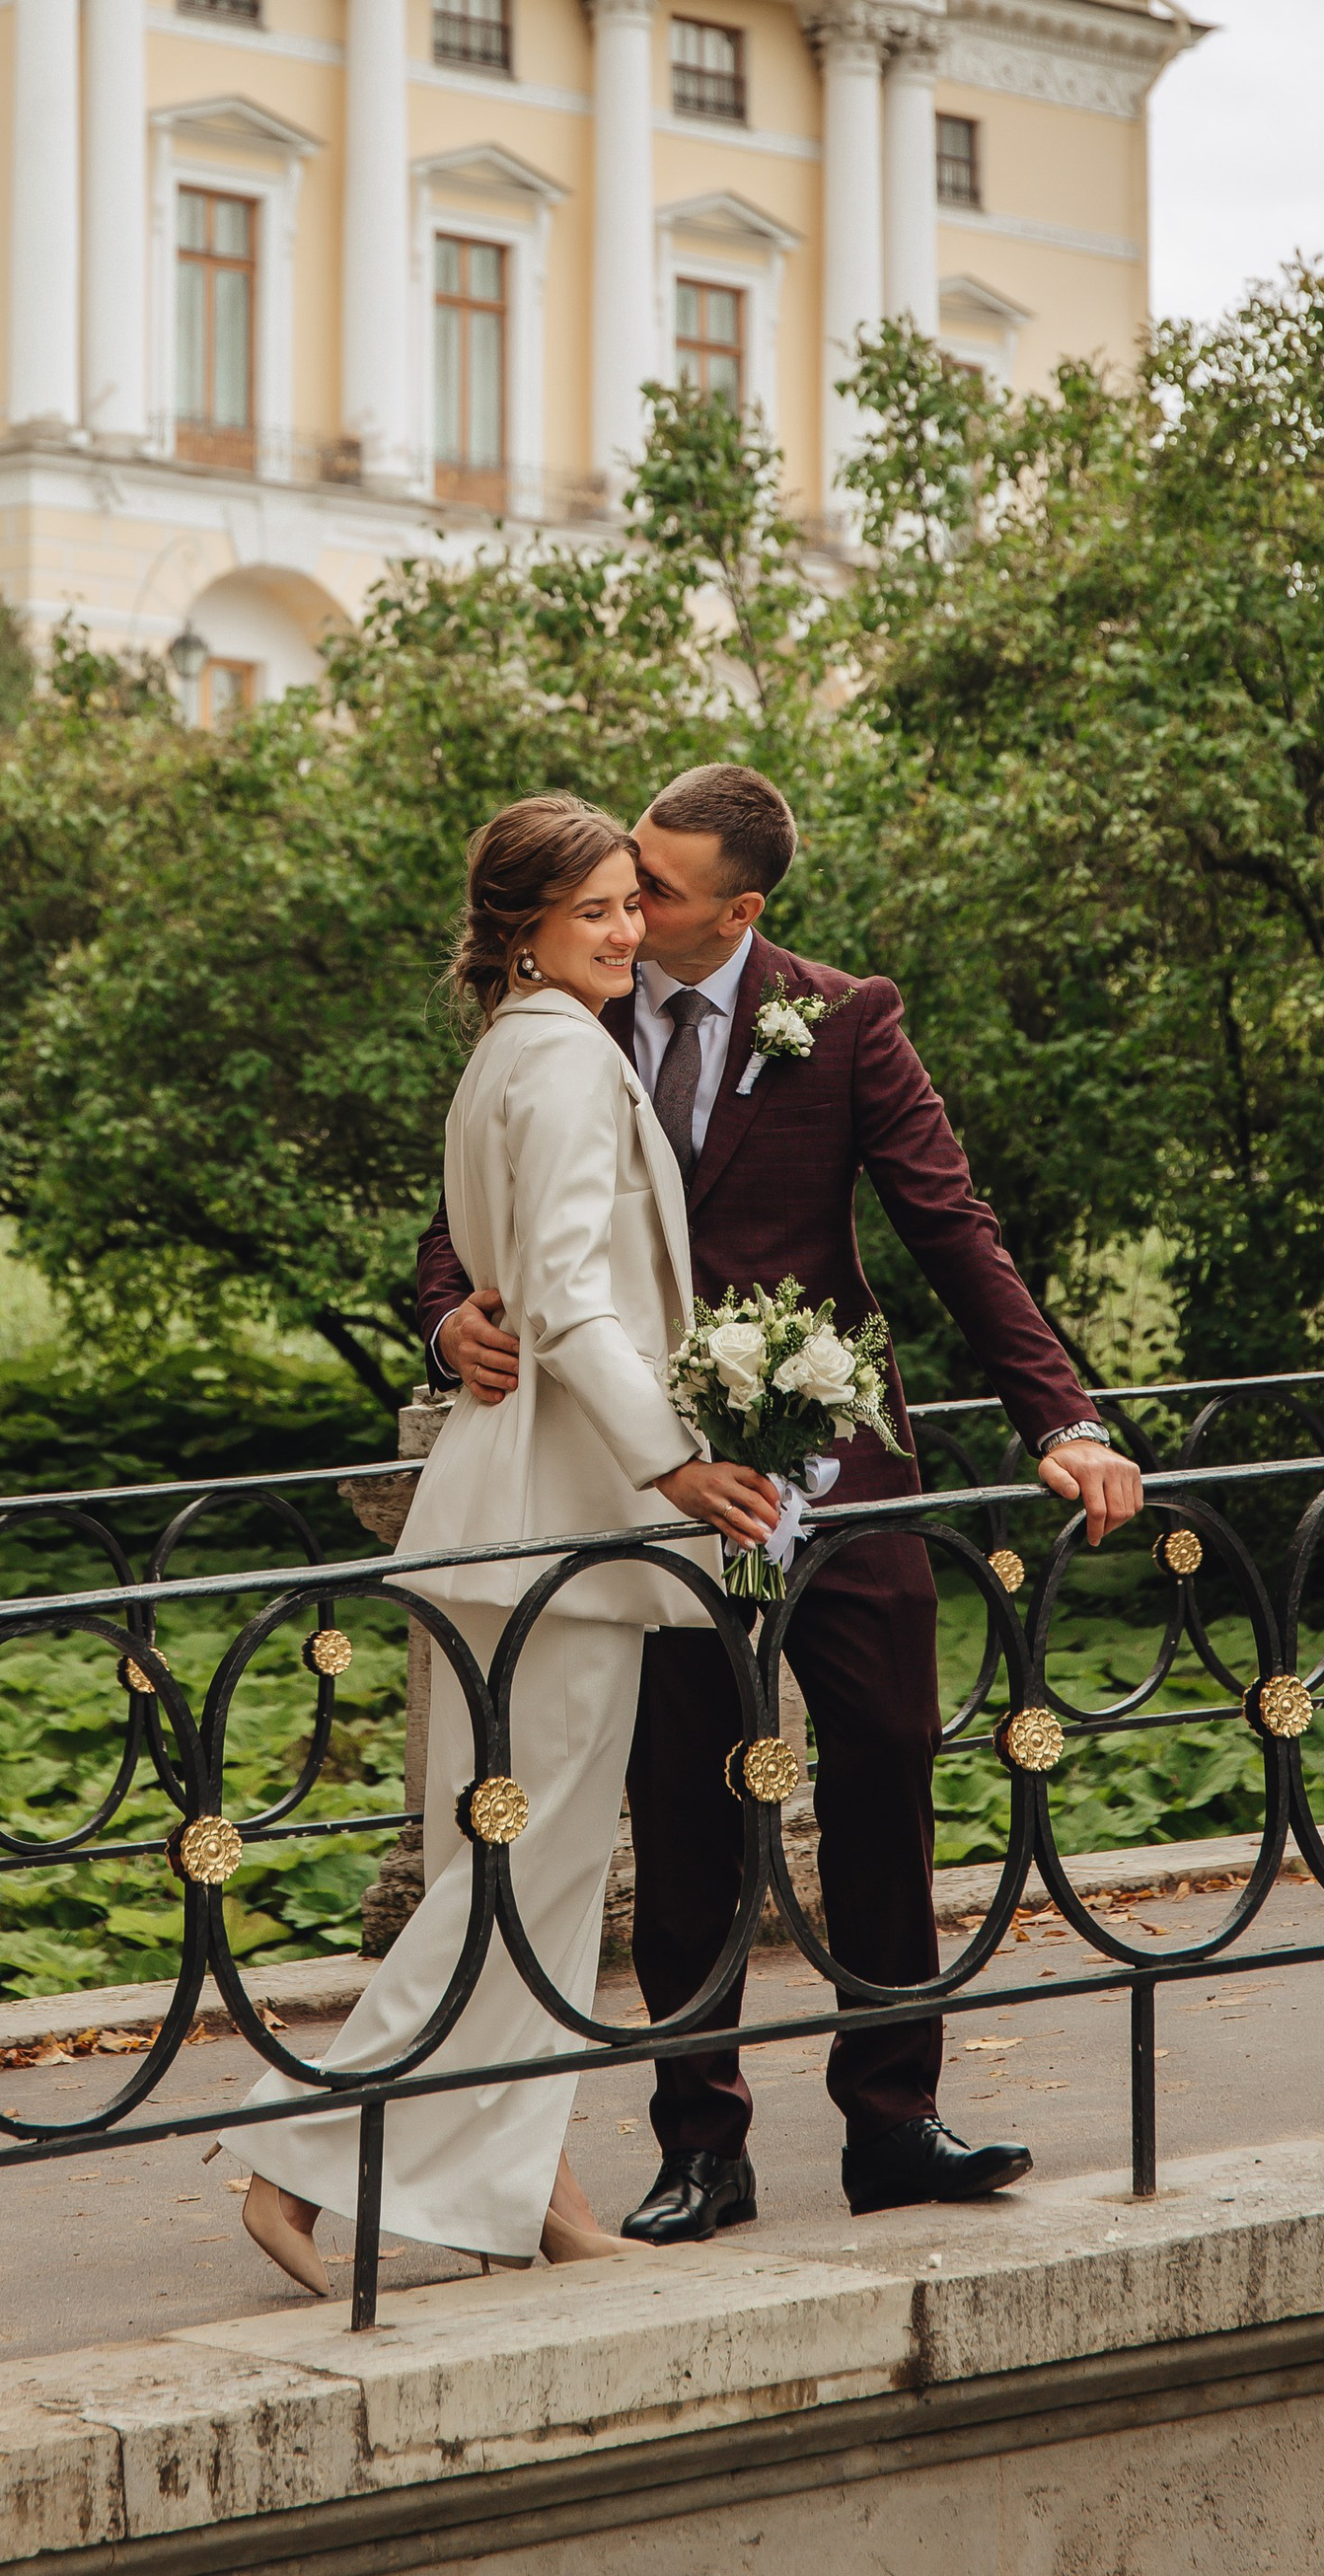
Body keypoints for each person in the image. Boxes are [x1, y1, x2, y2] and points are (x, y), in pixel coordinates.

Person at [415, 761, 1143, 2235]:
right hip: (649, 1480)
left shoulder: (846, 1016)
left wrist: (1061, 1413)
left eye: (657, 886)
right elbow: (469, 1219)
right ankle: (702, 2145)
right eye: (620, 880)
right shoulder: (578, 995)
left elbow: (951, 1222)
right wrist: (447, 1316)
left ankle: (896, 2121)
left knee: (886, 1760)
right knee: (682, 1805)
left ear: (738, 909)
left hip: (838, 1463)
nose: (630, 901)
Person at [231, 793, 779, 2297]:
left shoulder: (517, 1050)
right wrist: (671, 1457)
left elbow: (518, 1285)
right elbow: (562, 1296)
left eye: (630, 902)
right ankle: (296, 2157)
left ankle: (525, 2186)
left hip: (519, 1516)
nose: (625, 928)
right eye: (596, 907)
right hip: (554, 1525)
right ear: (525, 924)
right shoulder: (559, 1058)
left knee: (530, 1876)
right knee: (515, 1883)